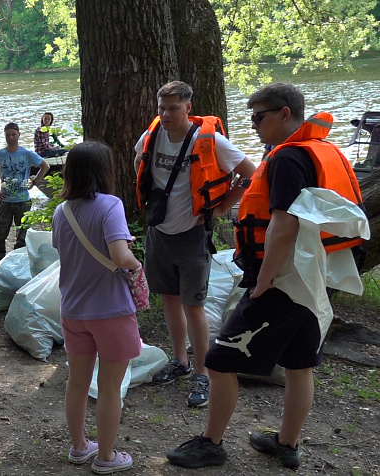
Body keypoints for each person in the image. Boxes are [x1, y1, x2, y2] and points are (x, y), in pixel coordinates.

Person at [167, 83, 365, 470]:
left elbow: (284, 225)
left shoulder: (289, 159)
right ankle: (286, 445)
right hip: (316, 276)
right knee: (298, 361)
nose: (253, 125)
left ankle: (211, 443)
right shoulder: (322, 150)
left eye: (259, 117)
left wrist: (263, 281)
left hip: (284, 280)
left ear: (285, 113)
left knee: (220, 359)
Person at [133, 80, 256, 408]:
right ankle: (180, 362)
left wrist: (219, 208)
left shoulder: (210, 142)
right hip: (159, 233)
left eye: (173, 108)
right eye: (162, 108)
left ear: (188, 108)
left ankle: (202, 373)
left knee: (194, 307)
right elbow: (138, 164)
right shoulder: (150, 137)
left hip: (192, 237)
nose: (166, 114)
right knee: (170, 301)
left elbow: (250, 173)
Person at [52, 141, 142, 474]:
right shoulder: (110, 205)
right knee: (108, 387)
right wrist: (136, 265)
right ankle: (106, 457)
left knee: (77, 382)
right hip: (111, 312)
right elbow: (120, 255)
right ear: (104, 170)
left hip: (73, 310)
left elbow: (62, 251)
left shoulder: (61, 211)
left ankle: (79, 447)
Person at [0, 122, 50, 264]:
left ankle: (18, 266)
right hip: (5, 201)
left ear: (19, 135)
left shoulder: (26, 154)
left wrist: (34, 182)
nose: (11, 137)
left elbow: (45, 166)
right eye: (8, 135)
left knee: (23, 237)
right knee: (0, 236)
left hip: (23, 201)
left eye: (13, 134)